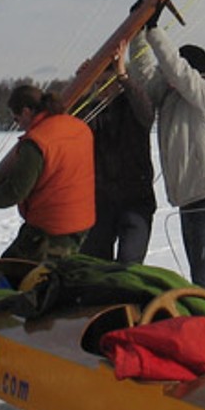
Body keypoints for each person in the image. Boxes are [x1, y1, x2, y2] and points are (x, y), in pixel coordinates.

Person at [139, 12, 205, 315]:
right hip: (190, 198)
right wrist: (138, 31)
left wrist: (154, 31)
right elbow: (147, 74)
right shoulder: (168, 98)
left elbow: (178, 72)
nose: (167, 77)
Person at [0, 83, 96, 262]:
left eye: (16, 118)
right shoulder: (79, 127)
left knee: (7, 272)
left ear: (27, 111)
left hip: (51, 228)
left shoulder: (37, 142)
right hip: (82, 222)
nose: (18, 124)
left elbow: (16, 191)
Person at [82, 48, 157, 264]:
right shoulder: (94, 113)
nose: (103, 90)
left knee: (129, 262)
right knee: (94, 263)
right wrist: (83, 86)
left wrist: (123, 76)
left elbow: (146, 110)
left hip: (136, 201)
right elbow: (72, 124)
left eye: (107, 83)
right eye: (99, 84)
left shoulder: (134, 109)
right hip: (101, 203)